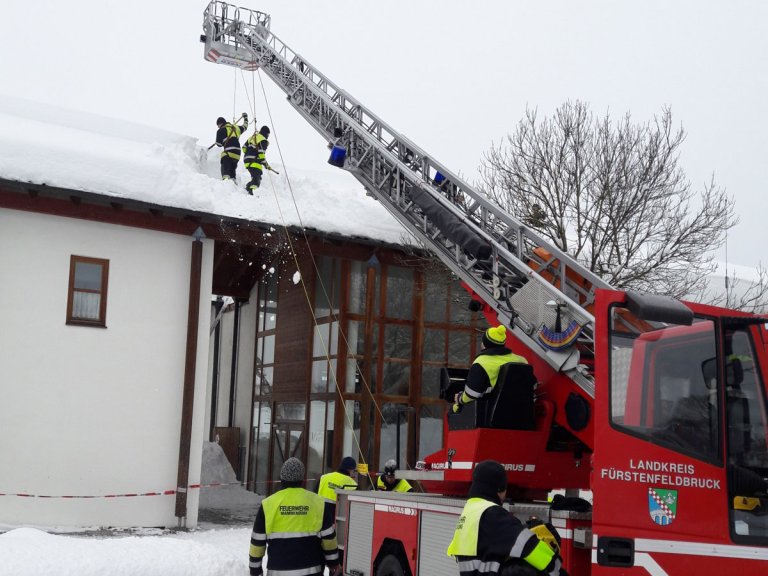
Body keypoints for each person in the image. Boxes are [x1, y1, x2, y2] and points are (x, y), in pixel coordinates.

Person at [447, 460, 566, 576]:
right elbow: (528, 546)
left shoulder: (471, 511)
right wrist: (556, 570)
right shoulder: (492, 514)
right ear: (499, 489)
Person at [249, 457, 341, 576]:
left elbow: (257, 543)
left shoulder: (268, 504)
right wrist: (334, 564)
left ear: (282, 478)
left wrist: (255, 571)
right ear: (302, 480)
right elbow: (329, 539)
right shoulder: (318, 503)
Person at [453, 325, 528, 413]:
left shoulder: (481, 363)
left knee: (454, 410)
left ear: (485, 344)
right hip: (523, 412)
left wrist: (460, 398)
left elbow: (472, 394)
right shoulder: (521, 360)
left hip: (494, 413)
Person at [215, 113, 248, 181]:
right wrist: (245, 117)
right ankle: (233, 181)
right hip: (237, 153)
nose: (218, 127)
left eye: (218, 125)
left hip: (229, 151)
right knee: (232, 168)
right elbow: (245, 126)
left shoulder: (220, 130)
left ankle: (226, 179)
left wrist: (218, 140)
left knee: (225, 162)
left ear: (220, 124)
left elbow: (219, 144)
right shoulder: (236, 128)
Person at [243, 125, 271, 194]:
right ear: (266, 133)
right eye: (268, 135)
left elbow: (244, 147)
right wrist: (266, 164)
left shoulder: (252, 137)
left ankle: (247, 188)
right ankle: (252, 193)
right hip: (255, 162)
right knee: (256, 181)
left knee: (257, 178)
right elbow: (261, 154)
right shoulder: (263, 140)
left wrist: (248, 154)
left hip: (247, 161)